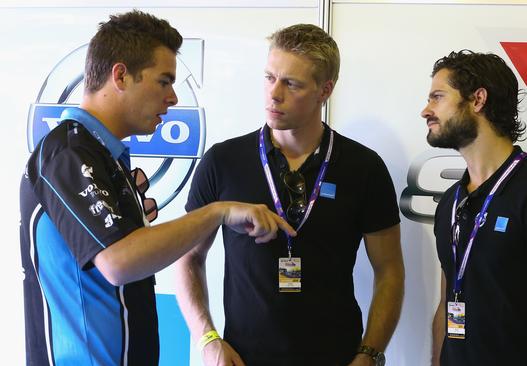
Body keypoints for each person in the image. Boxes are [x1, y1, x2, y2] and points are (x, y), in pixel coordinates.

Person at [19, 10, 293, 366]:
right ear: (120, 76)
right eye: (164, 81)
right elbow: (119, 262)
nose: (173, 98)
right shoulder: (68, 154)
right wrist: (218, 211)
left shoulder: (104, 156)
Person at [175, 24, 405, 366]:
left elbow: (389, 270)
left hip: (337, 357)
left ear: (324, 90)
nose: (274, 94)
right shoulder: (223, 161)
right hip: (244, 358)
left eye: (291, 84)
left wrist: (370, 353)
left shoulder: (364, 167)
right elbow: (187, 258)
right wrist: (207, 339)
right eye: (269, 77)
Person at [423, 50, 527, 366]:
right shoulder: (450, 203)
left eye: (437, 97)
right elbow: (446, 302)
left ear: (477, 100)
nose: (426, 110)